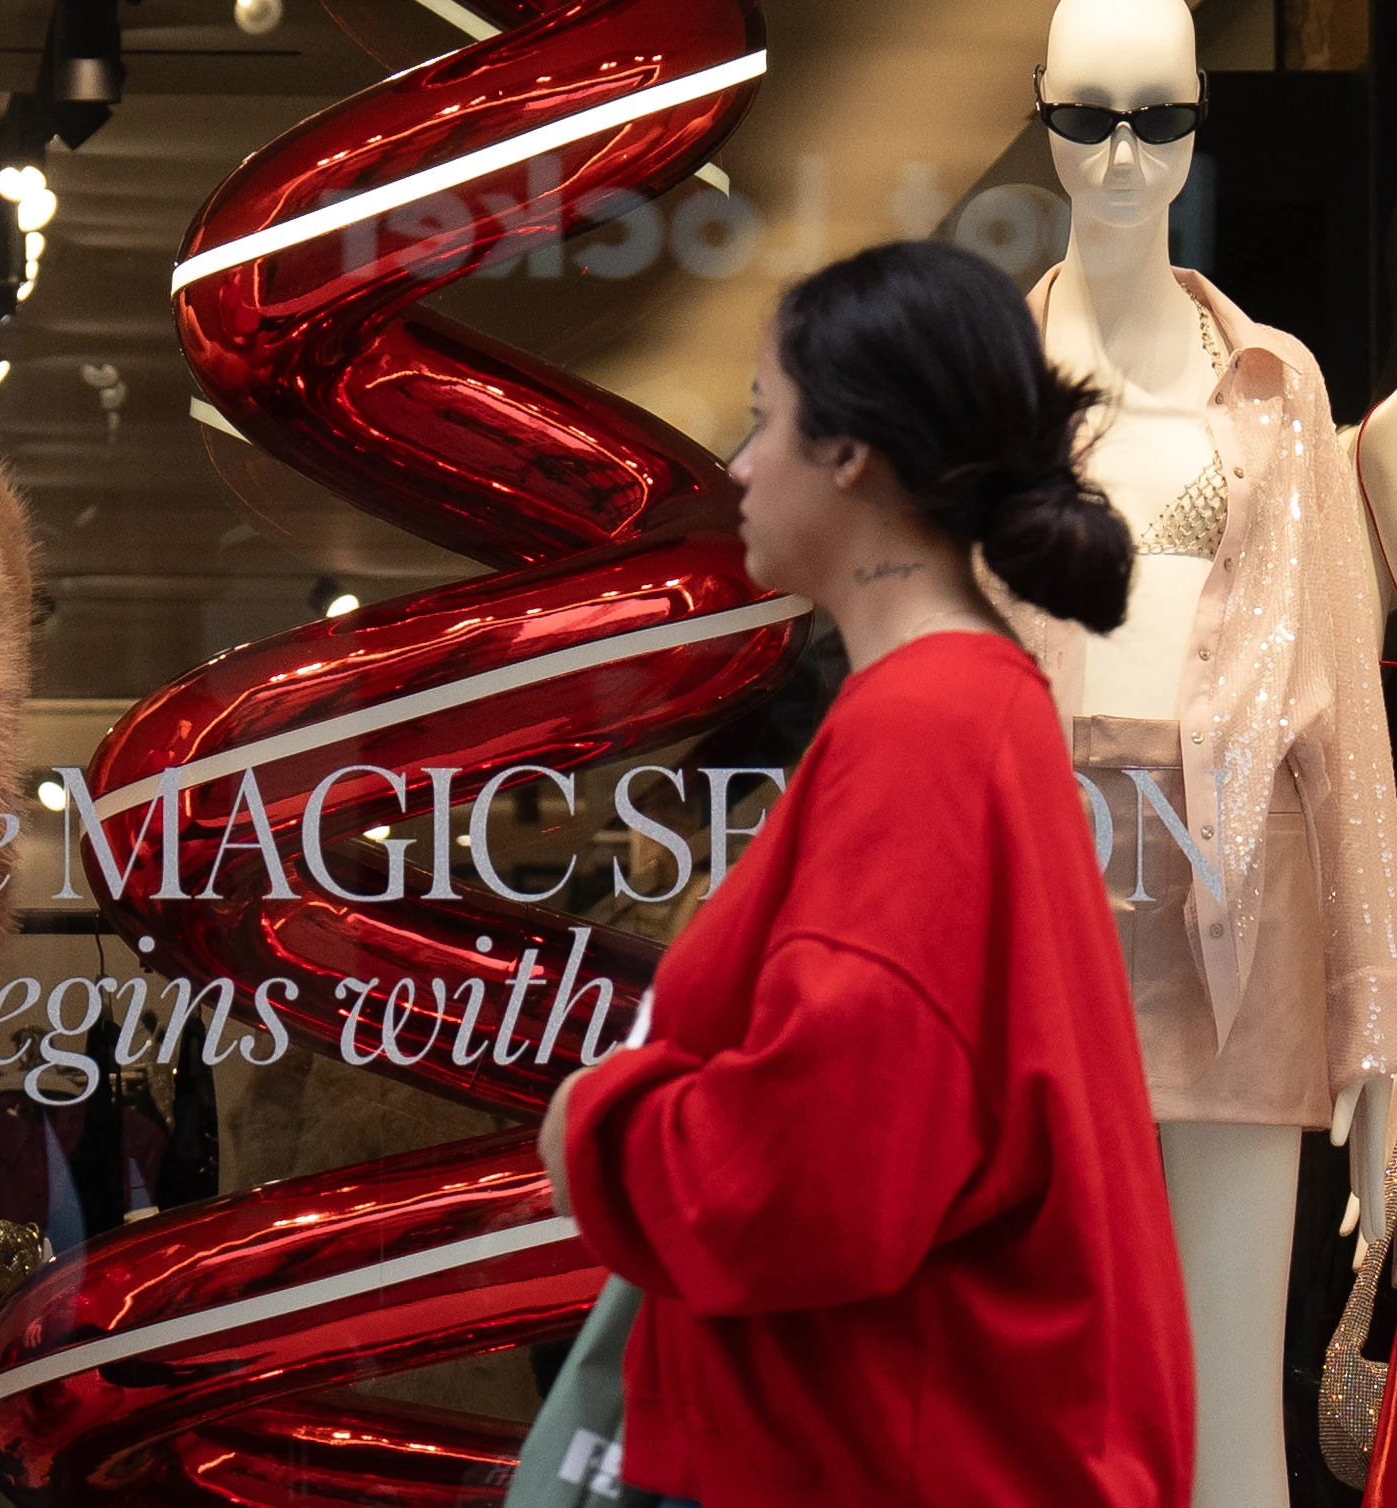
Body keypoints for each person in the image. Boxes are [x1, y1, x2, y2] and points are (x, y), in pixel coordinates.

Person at [539, 240, 1193, 1507]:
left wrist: (601, 1131)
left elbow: (819, 1169)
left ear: (850, 452)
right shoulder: (960, 710)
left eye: (761, 420)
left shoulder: (923, 730)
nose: (733, 467)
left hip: (884, 1456)